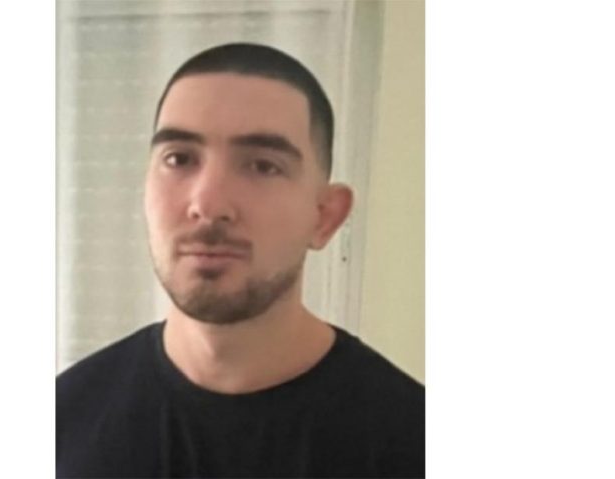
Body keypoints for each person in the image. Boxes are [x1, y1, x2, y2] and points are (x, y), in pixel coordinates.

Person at [57, 43, 425, 478]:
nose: (208, 204)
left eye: (263, 166)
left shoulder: (416, 443)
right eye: (179, 159)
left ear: (324, 216)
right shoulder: (63, 421)